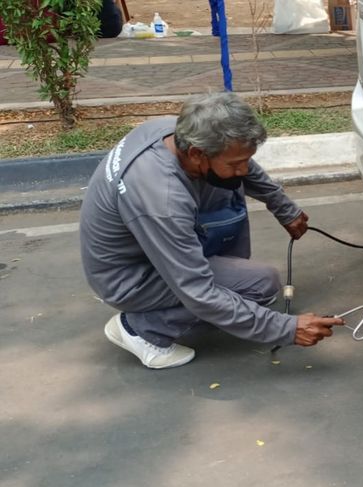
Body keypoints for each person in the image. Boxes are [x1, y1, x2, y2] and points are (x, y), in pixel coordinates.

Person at [79, 92, 343, 369]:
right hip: (129, 279)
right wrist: (287, 328)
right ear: (196, 154)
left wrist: (282, 206)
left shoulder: (179, 131)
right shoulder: (162, 198)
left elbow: (242, 163)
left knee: (225, 187)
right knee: (259, 285)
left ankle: (220, 299)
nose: (243, 170)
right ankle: (142, 328)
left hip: (147, 249)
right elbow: (199, 291)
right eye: (234, 164)